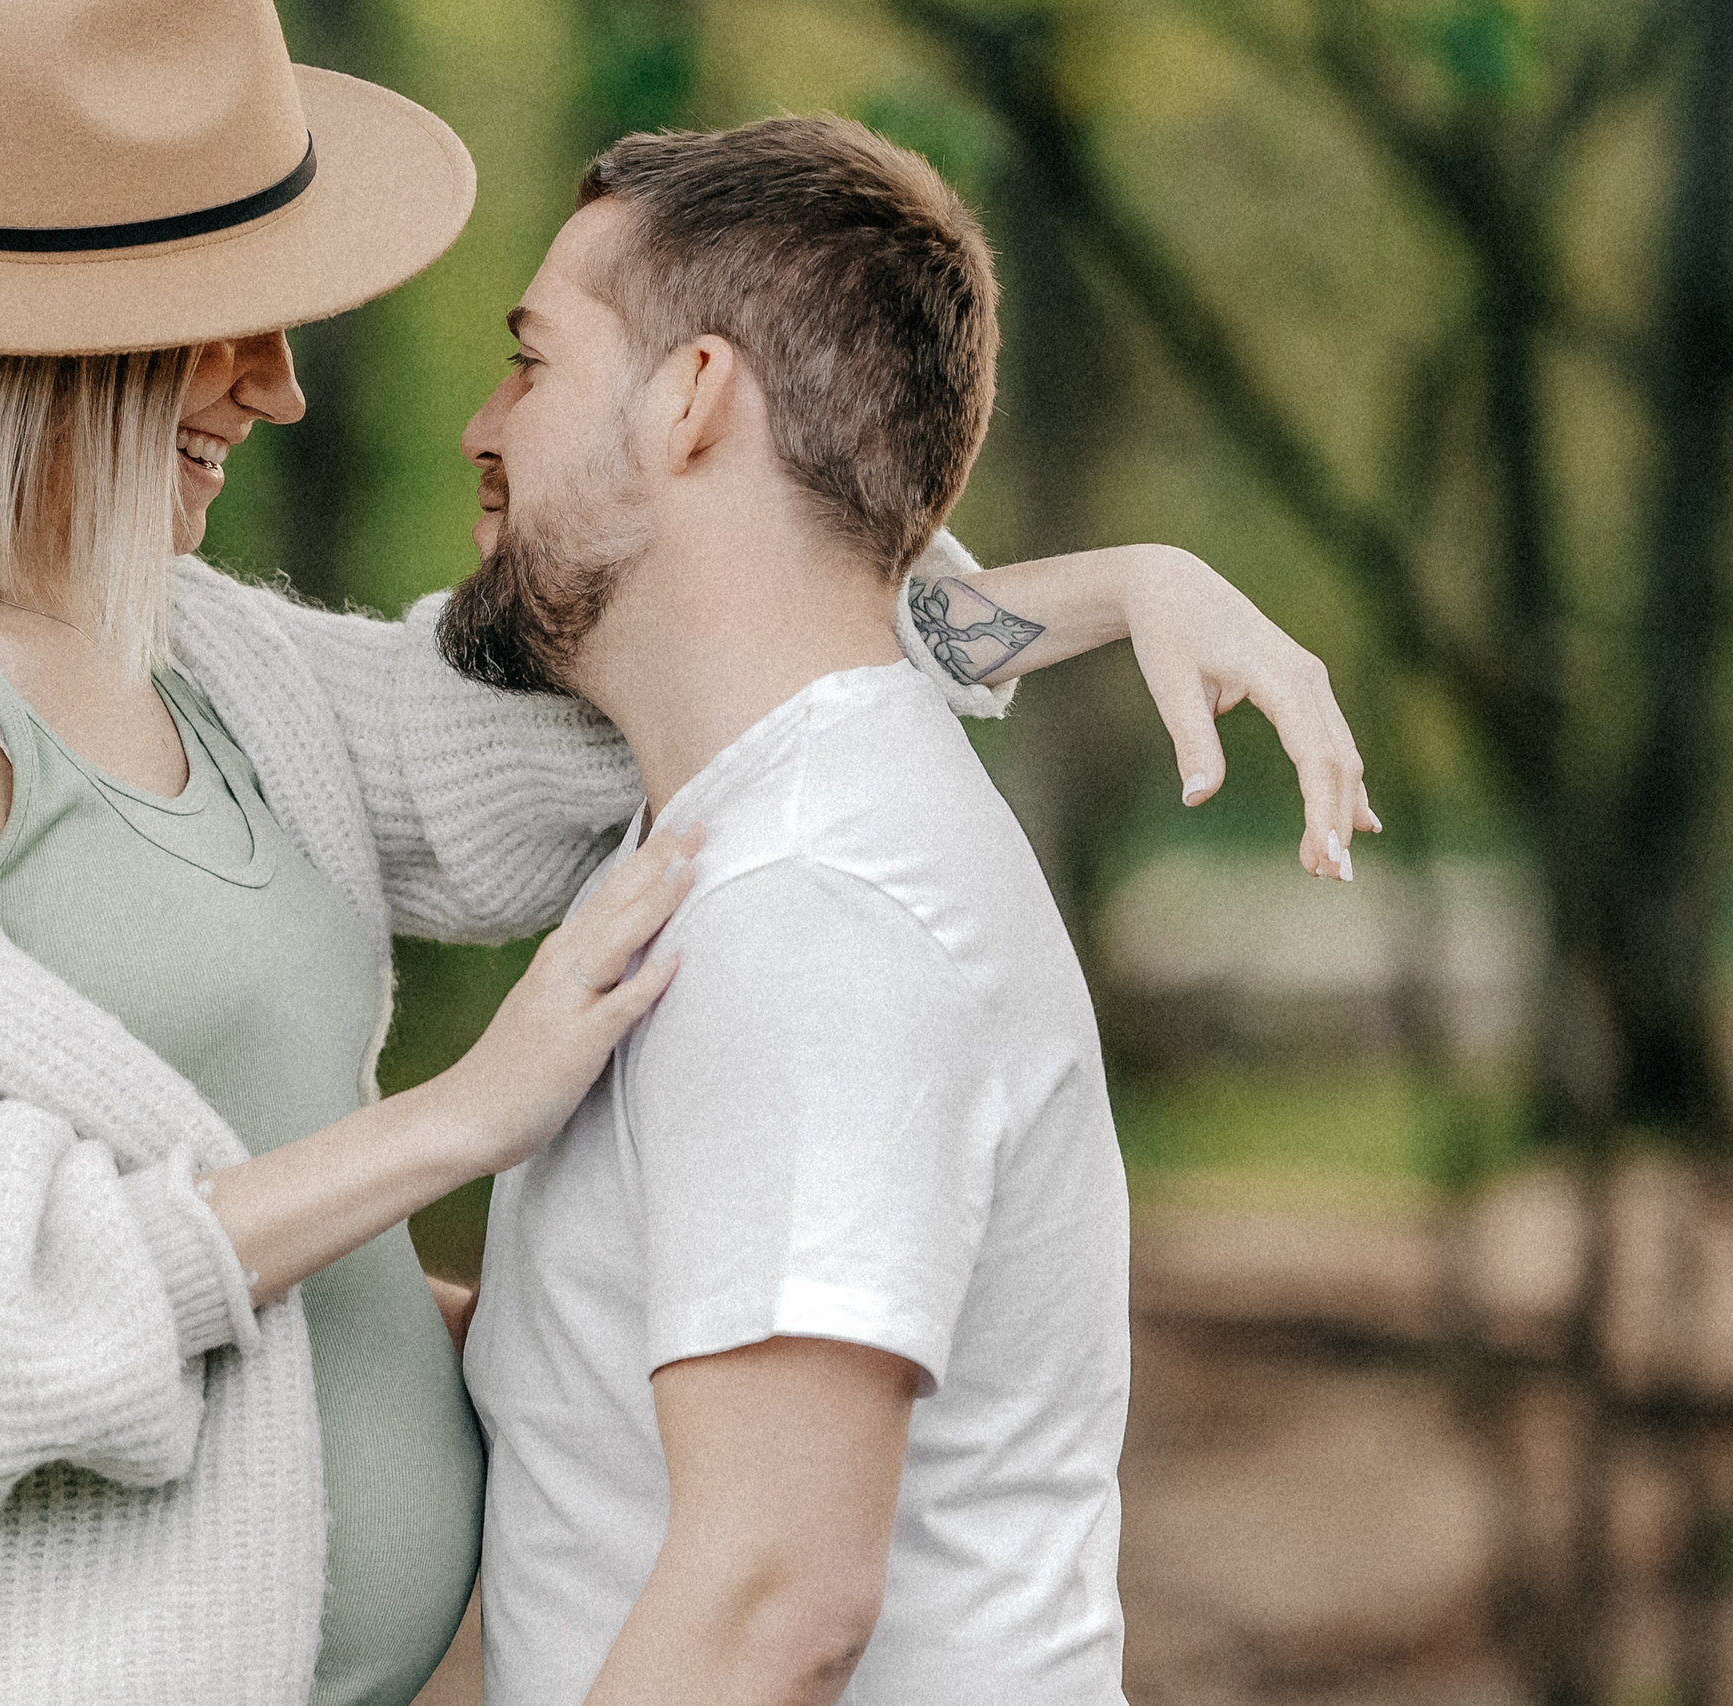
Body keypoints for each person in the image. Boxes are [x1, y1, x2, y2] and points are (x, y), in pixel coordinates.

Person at [0, 4, 1368, 1705]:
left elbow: (664, 657)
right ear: (49, 347)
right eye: (226, 322)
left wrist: (1107, 592)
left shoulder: (197, 659)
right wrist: (459, 1121)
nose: (280, 389)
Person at [449, 118, 1366, 1706]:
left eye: (532, 361)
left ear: (692, 399)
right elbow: (624, 1377)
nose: (486, 422)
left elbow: (775, 1598)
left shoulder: (814, 904)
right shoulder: (744, 835)